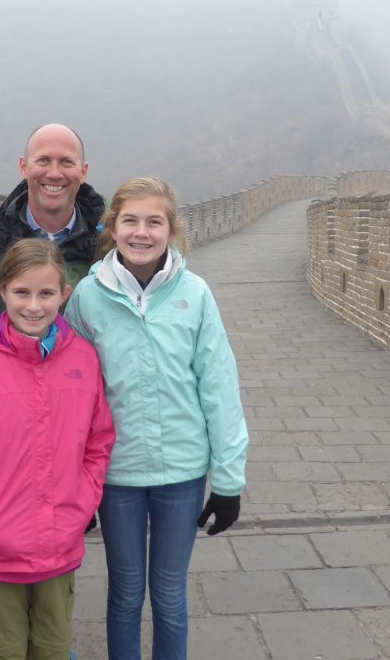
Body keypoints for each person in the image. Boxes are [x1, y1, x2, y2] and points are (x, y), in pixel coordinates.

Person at [65, 177, 249, 660]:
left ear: (172, 229)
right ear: (112, 228)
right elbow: (75, 397)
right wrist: (75, 482)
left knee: (169, 595)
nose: (141, 232)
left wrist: (228, 481)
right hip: (116, 473)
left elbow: (219, 386)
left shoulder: (195, 294)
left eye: (154, 221)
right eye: (130, 220)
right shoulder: (87, 296)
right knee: (124, 593)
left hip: (182, 472)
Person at [0, 239, 115, 660]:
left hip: (60, 544)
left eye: (46, 293)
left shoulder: (82, 358)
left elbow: (98, 441)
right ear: (3, 291)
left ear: (65, 294)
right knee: (0, 652)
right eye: (21, 293)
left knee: (53, 649)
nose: (33, 306)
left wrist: (83, 501)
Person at [0, 123, 105, 325]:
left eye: (67, 162)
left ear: (83, 172)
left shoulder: (107, 246)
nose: (54, 173)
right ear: (24, 167)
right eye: (43, 160)